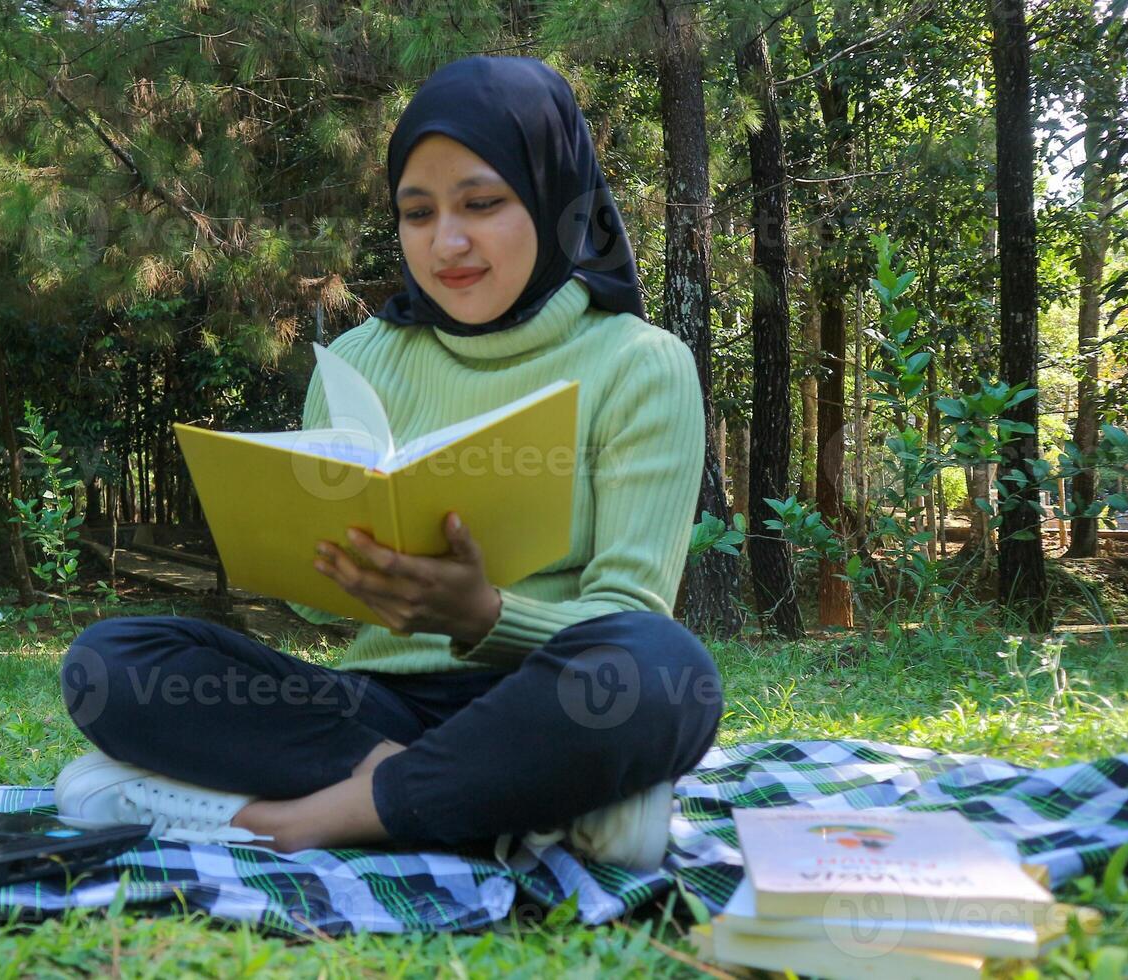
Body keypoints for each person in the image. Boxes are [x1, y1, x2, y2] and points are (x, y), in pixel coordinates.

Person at [51, 56, 721, 871]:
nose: (447, 242)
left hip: (542, 695)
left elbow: (630, 612)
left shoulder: (639, 363)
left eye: (482, 203)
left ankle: (299, 821)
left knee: (664, 674)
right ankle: (517, 803)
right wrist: (333, 568)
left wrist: (481, 614)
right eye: (416, 212)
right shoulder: (361, 359)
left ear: (553, 200)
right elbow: (329, 619)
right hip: (372, 713)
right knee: (113, 662)